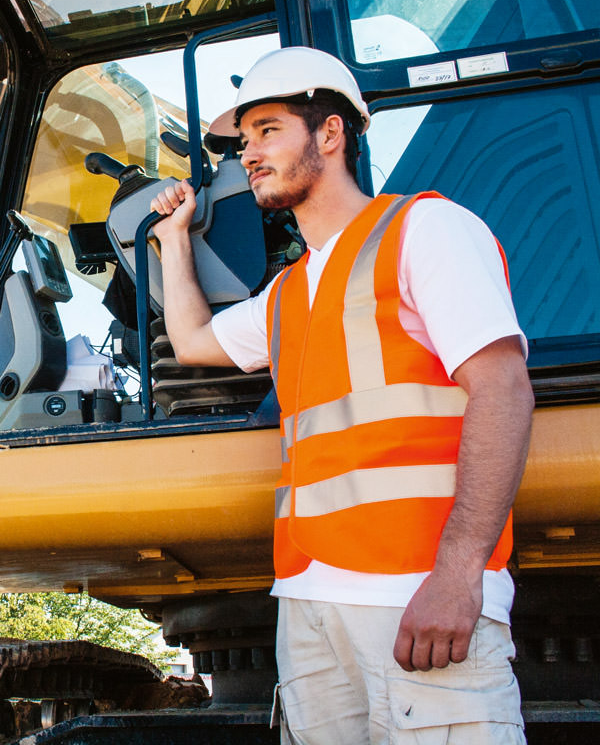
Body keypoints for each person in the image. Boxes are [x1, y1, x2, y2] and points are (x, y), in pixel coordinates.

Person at [151, 46, 534, 744]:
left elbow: (503, 389)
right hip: (309, 602)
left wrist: (459, 573)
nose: (249, 154)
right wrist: (173, 241)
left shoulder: (424, 231)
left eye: (268, 130)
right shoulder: (289, 292)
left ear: (330, 133)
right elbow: (196, 341)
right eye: (244, 140)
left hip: (415, 593)